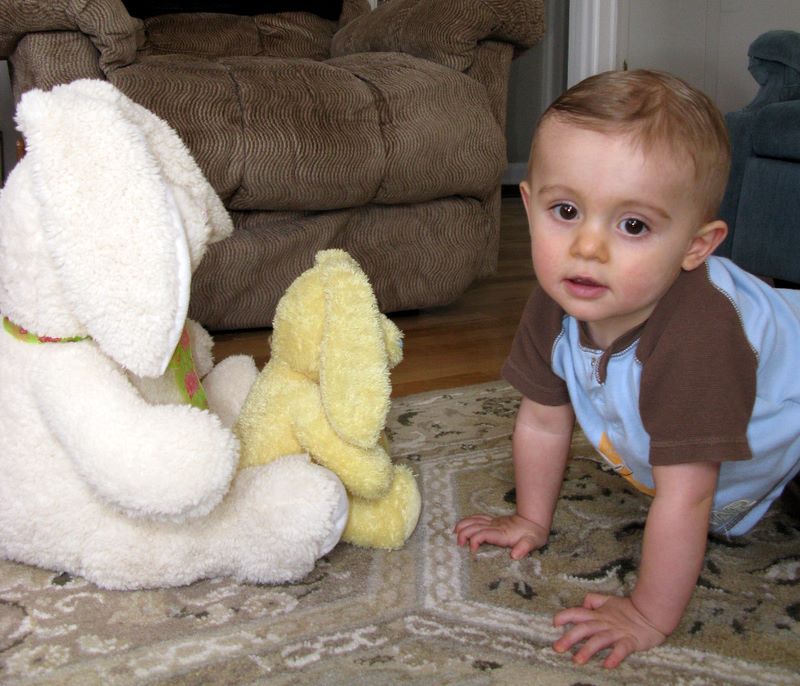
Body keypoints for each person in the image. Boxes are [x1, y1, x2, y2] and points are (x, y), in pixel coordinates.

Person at [454, 69, 800, 669]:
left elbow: (689, 494)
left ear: (697, 246)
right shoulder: (557, 302)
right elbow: (542, 419)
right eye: (566, 210)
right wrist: (531, 518)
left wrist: (647, 614)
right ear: (528, 206)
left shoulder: (699, 338)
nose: (588, 248)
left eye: (633, 225)